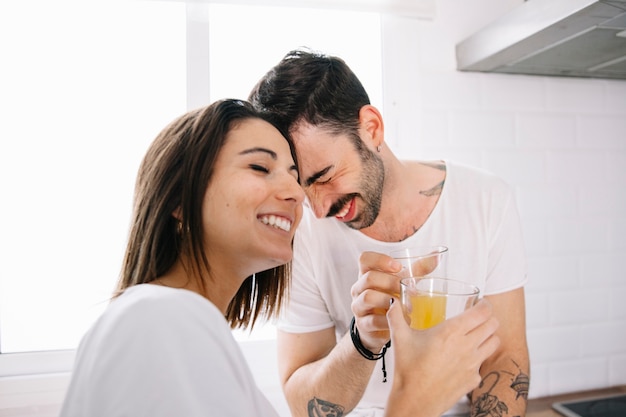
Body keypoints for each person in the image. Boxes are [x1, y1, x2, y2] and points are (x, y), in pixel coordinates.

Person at [58, 99, 500, 417]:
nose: (297, 195)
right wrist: (414, 400)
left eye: (295, 174)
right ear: (178, 198)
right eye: (259, 167)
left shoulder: (180, 325)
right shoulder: (157, 321)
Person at [249, 48, 530, 417]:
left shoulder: (486, 200)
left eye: (326, 176)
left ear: (371, 128)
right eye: (304, 190)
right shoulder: (302, 235)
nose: (318, 211)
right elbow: (303, 403)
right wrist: (362, 341)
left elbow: (505, 359)